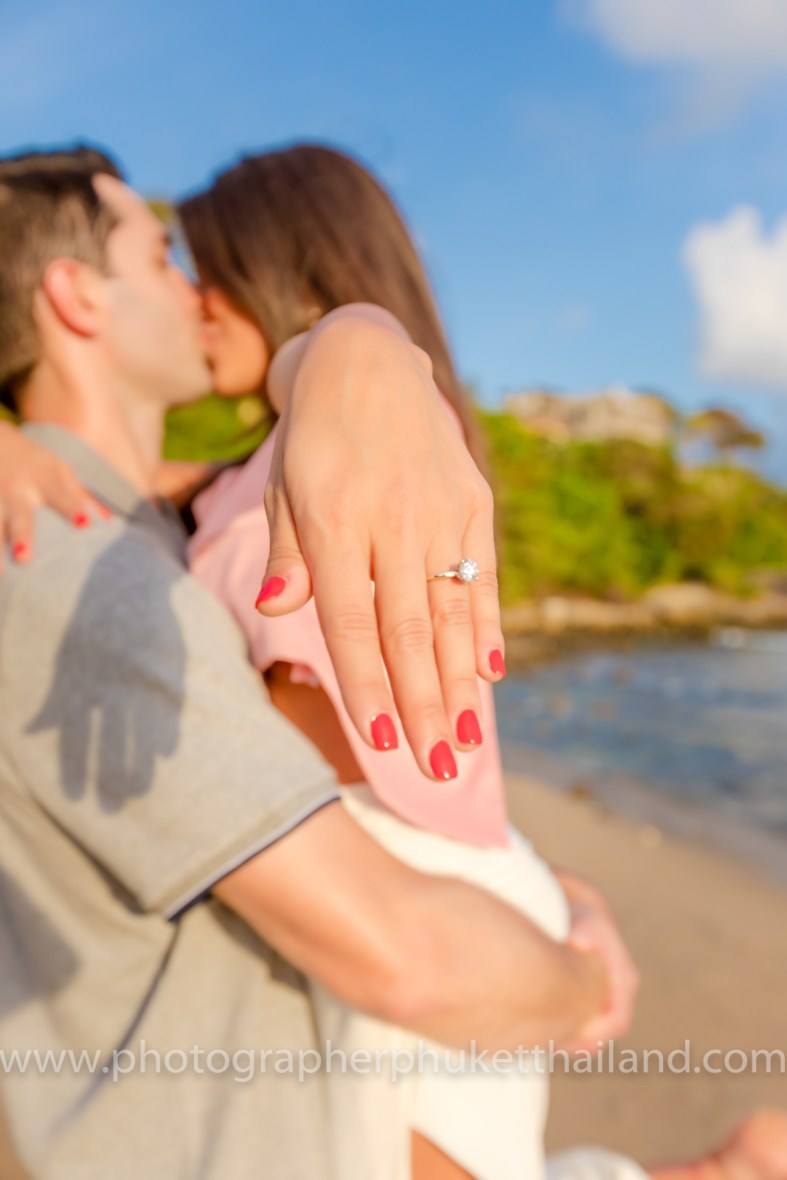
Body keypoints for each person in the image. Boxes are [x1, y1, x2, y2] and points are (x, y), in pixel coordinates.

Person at [2, 145, 784, 1180]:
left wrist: (352, 344)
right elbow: (403, 947)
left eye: (203, 265)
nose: (194, 292)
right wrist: (579, 972)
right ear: (73, 296)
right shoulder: (77, 551)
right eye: (162, 257)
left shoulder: (153, 515)